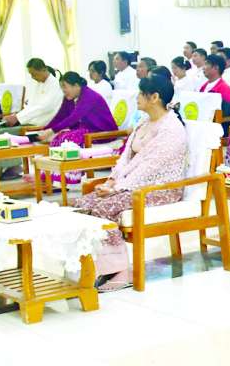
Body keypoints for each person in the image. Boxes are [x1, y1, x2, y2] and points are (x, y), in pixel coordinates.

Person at [74, 75, 189, 292]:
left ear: (154, 97)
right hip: (133, 185)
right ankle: (96, 266)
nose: (137, 97)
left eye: (141, 94)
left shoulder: (172, 129)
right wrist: (111, 181)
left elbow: (149, 168)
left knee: (103, 208)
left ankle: (120, 271)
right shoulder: (143, 123)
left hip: (160, 188)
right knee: (82, 204)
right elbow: (125, 159)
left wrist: (115, 189)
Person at [2, 58, 62, 129]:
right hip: (32, 122)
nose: (32, 77)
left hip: (45, 124)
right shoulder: (38, 83)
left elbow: (45, 107)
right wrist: (17, 115)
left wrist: (18, 117)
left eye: (34, 74)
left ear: (44, 70)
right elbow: (31, 105)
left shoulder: (55, 84)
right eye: (31, 74)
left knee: (6, 131)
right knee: (3, 129)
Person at [200, 54, 230, 123]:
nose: (203, 68)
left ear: (216, 68)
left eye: (206, 64)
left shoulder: (225, 90)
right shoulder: (203, 86)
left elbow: (225, 116)